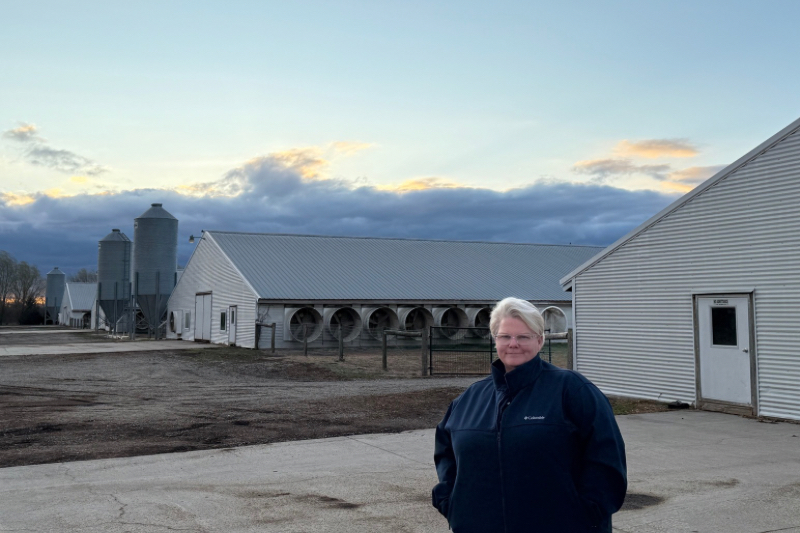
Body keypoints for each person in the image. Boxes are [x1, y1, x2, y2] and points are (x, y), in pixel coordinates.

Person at [432, 297, 627, 533]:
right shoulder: (470, 399)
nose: (513, 344)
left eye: (523, 336)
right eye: (505, 336)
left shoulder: (572, 391)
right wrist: (451, 503)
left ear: (540, 340)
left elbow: (606, 461)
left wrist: (585, 515)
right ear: (495, 340)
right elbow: (446, 452)